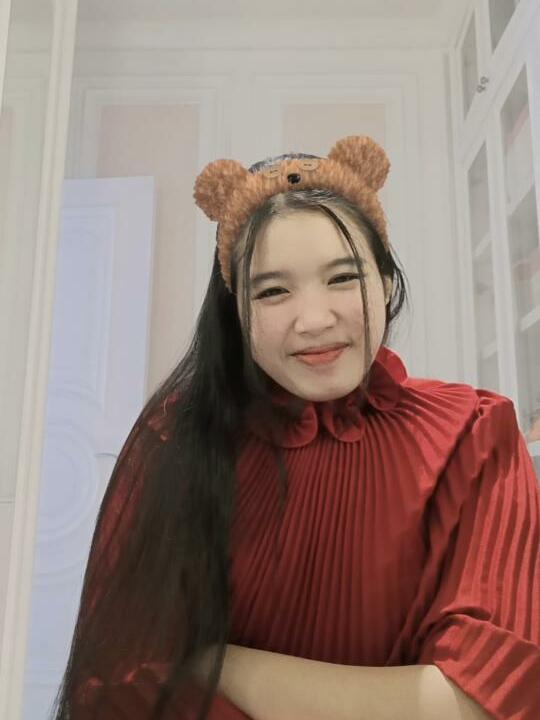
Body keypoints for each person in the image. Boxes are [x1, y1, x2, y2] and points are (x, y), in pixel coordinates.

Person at [51, 135, 540, 720]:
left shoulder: (475, 432)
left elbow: (489, 696)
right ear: (236, 310)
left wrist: (214, 662)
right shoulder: (173, 440)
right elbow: (118, 687)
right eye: (273, 290)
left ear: (386, 281)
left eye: (343, 278)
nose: (313, 319)